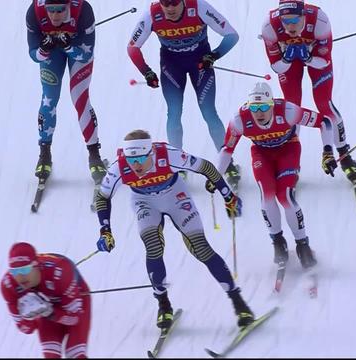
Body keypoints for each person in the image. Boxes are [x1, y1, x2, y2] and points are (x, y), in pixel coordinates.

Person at [92, 129, 254, 330]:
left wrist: (228, 196)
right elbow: (102, 197)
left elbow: (206, 167)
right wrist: (105, 230)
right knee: (153, 247)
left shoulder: (168, 155)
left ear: (150, 153)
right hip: (144, 201)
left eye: (141, 158)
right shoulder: (119, 167)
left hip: (175, 196)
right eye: (131, 160)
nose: (136, 165)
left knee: (201, 248)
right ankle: (163, 305)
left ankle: (238, 302)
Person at [212, 82, 338, 269]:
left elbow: (324, 122)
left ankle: (302, 244)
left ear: (272, 104)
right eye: (255, 108)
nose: (260, 113)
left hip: (288, 150)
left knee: (285, 196)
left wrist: (327, 152)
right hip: (262, 154)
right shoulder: (239, 119)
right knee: (267, 196)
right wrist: (215, 176)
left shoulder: (287, 111)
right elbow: (227, 149)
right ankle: (278, 242)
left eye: (264, 107)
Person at [127, 0, 241, 187]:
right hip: (172, 67)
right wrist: (146, 71)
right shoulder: (152, 13)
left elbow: (232, 35)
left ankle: (227, 163)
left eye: (174, 3)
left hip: (200, 64)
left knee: (209, 112)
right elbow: (132, 47)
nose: (170, 8)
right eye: (166, 3)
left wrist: (214, 55)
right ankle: (177, 164)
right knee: (174, 112)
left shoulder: (198, 7)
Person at [260, 0, 356, 184]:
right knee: (292, 106)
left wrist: (307, 56)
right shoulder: (269, 26)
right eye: (285, 21)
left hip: (315, 57)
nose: (290, 26)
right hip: (288, 61)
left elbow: (324, 61)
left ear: (304, 16)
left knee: (324, 104)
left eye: (294, 21)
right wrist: (288, 58)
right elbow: (277, 67)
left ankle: (345, 156)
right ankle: (289, 164)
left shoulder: (319, 20)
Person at [26, 0, 106, 184]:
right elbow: (33, 55)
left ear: (69, 5)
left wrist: (69, 46)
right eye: (51, 10)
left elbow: (86, 54)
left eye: (60, 10)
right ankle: (44, 154)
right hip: (52, 54)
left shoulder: (83, 10)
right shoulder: (35, 11)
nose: (54, 15)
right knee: (49, 98)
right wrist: (44, 49)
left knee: (79, 97)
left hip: (77, 51)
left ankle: (94, 155)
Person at [0, 242, 91, 358]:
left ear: (36, 265)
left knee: (75, 354)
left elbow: (75, 319)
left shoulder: (60, 272)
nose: (20, 277)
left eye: (25, 270)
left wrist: (51, 313)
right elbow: (26, 329)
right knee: (51, 356)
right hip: (47, 313)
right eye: (14, 271)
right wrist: (28, 318)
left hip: (75, 301)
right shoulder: (8, 285)